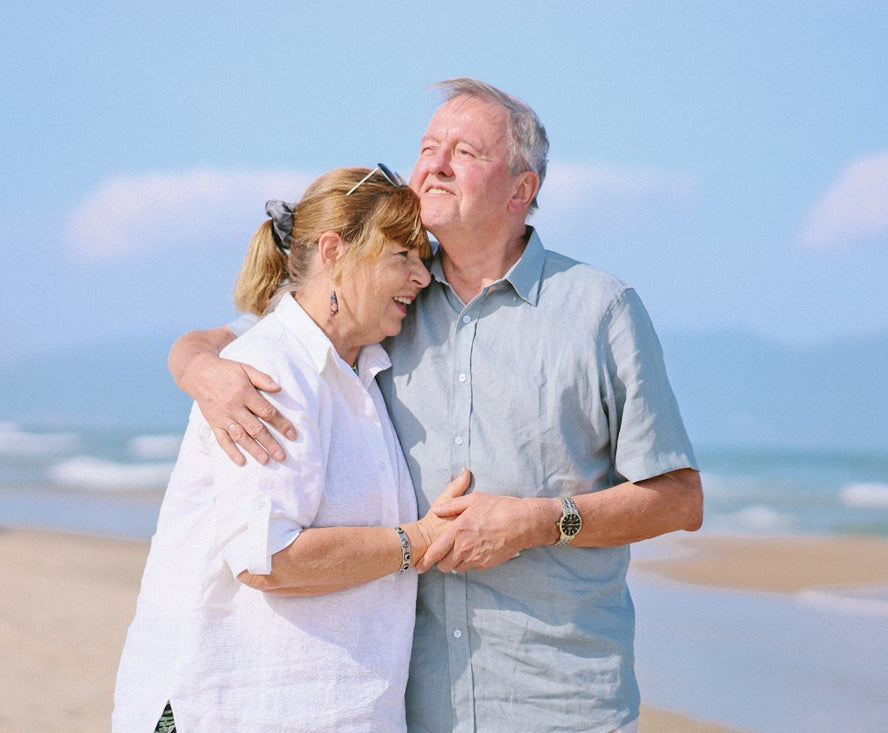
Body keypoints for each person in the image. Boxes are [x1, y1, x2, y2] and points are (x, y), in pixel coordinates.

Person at [169, 79, 703, 733]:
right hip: (406, 702)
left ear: (520, 190)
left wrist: (540, 521)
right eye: (427, 147)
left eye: (465, 152)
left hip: (560, 701)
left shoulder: (600, 309)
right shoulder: (389, 297)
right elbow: (249, 336)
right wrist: (200, 369)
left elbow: (679, 497)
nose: (435, 165)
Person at [114, 166, 471, 732]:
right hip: (235, 708)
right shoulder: (273, 370)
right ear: (333, 250)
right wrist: (417, 543)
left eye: (422, 258)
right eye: (402, 255)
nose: (421, 278)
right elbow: (267, 556)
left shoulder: (361, 372)